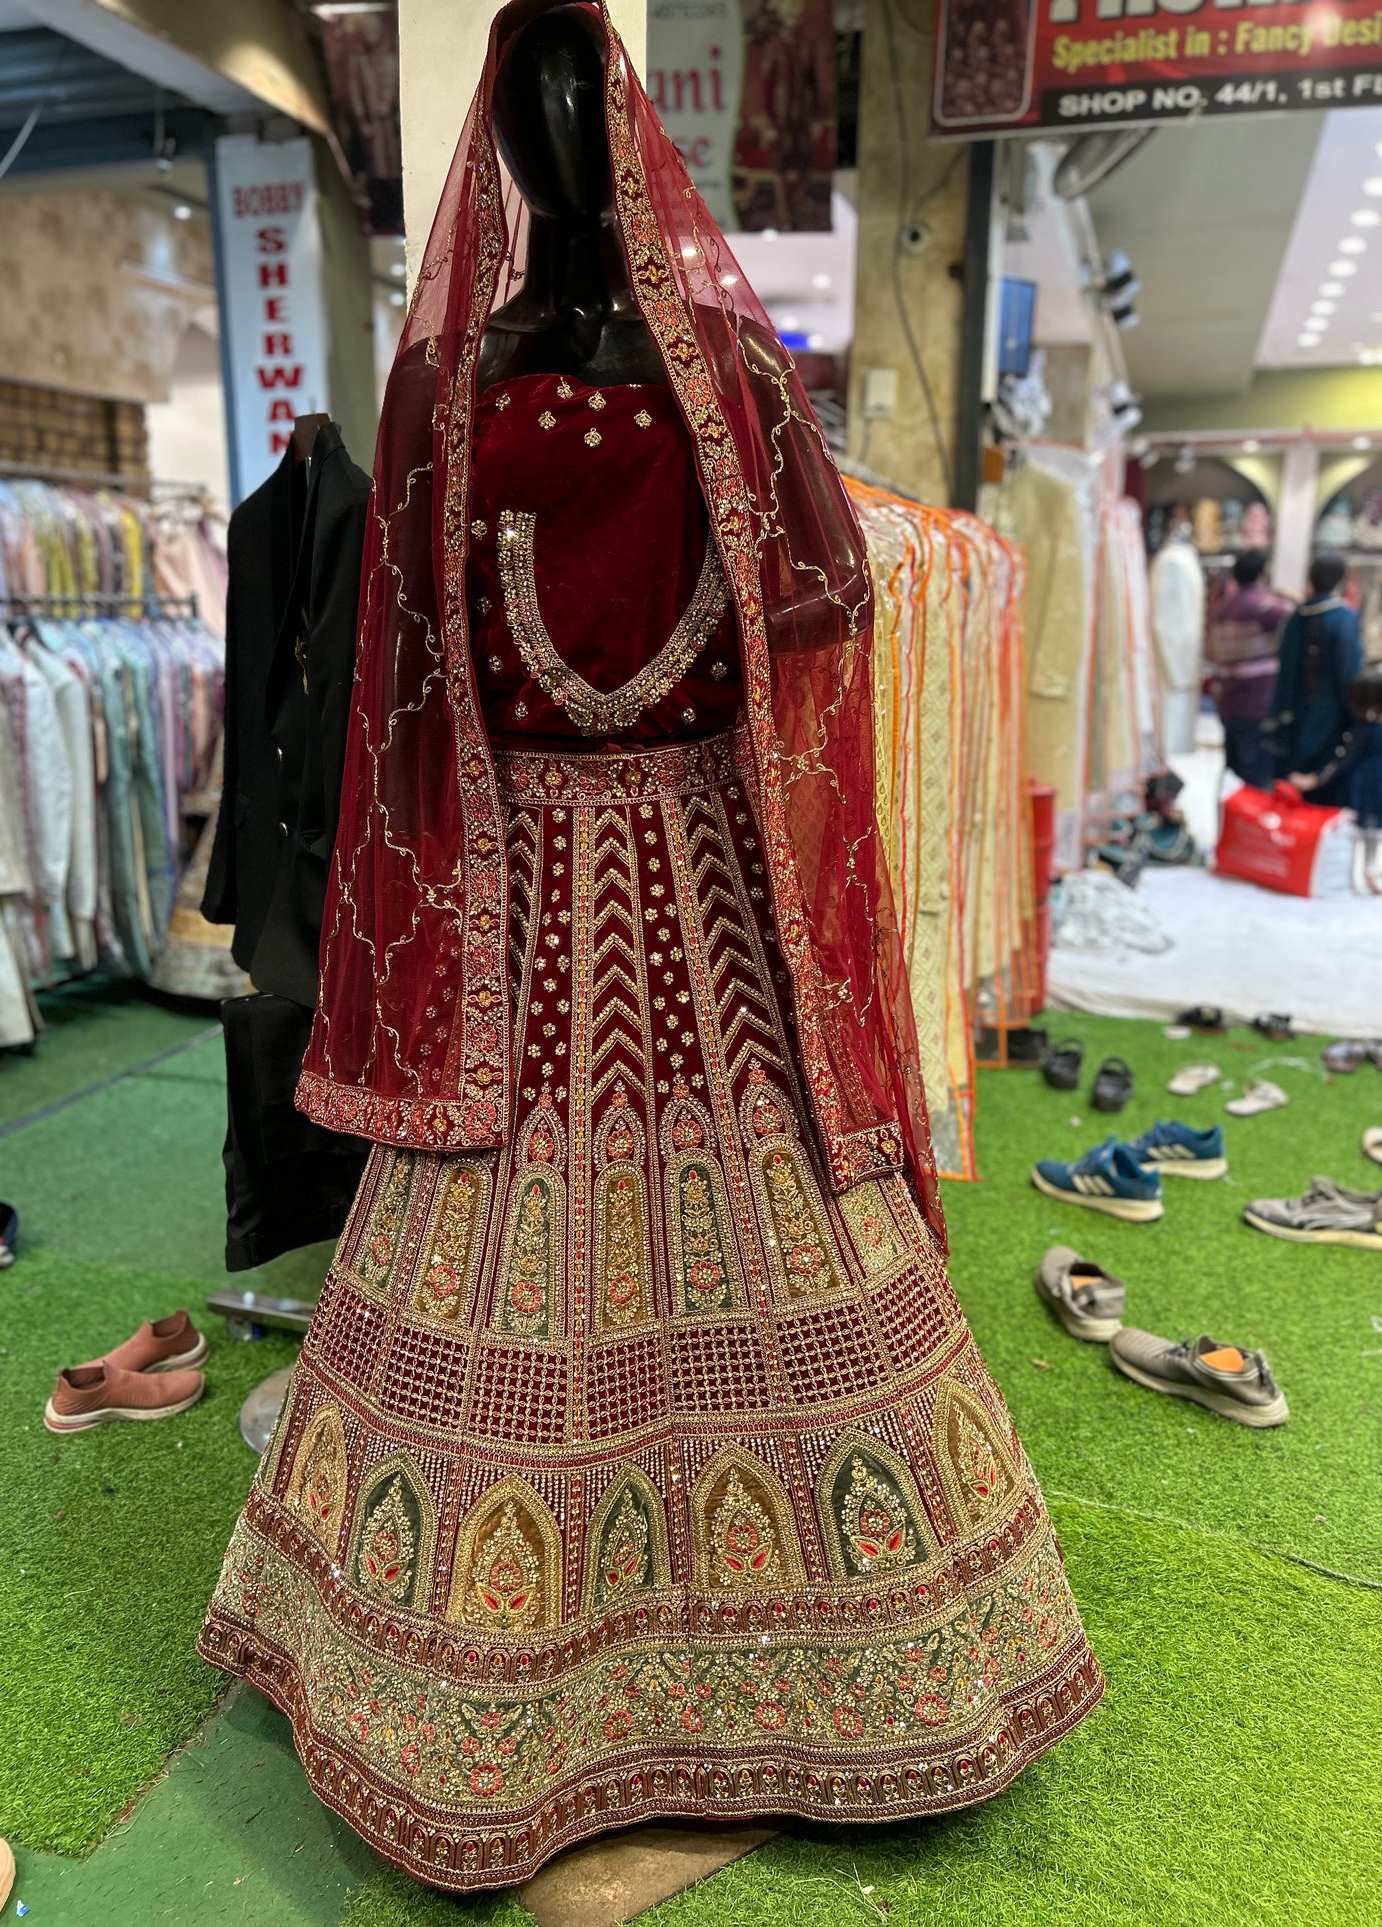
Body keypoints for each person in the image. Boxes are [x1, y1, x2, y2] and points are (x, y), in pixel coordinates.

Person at [198, 0, 1100, 1890]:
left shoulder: (455, 387)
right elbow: (834, 591)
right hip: (709, 897)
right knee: (787, 1250)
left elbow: (406, 691)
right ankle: (847, 1676)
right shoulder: (737, 389)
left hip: (525, 907)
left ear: (528, 166)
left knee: (508, 1265)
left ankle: (481, 1697)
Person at [1264, 552, 1363, 799]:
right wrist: (1356, 718)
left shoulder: (1295, 618)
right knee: (1323, 788)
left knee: (1293, 787)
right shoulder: (1344, 619)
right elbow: (1350, 674)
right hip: (1331, 719)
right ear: (1342, 580)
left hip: (1293, 713)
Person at [1290, 665, 1382, 891]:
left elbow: (1344, 761)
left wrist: (1319, 778)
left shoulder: (1363, 730)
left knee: (1363, 832)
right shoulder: (1366, 730)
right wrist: (1318, 778)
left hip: (1364, 787)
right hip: (1370, 789)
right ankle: (1364, 873)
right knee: (1367, 833)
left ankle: (1362, 874)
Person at [1205, 549, 1291, 788]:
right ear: (1263, 572)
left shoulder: (1224, 608)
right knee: (1255, 776)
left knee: (1233, 774)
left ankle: (1232, 819)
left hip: (1228, 701)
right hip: (1256, 702)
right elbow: (1298, 619)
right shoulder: (1264, 607)